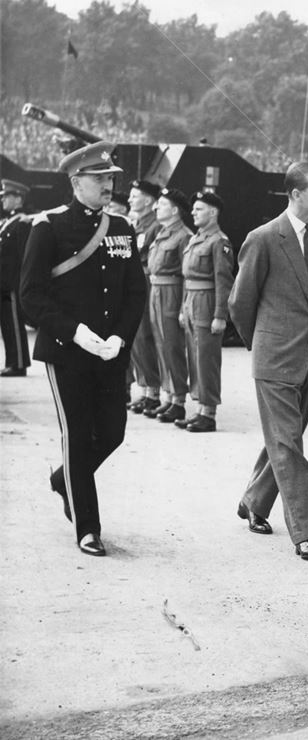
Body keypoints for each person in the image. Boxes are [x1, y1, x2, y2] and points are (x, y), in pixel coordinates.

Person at [19, 141, 146, 556]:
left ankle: (63, 480)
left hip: (110, 352)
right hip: (67, 351)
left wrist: (120, 337)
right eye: (100, 179)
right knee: (76, 435)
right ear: (76, 182)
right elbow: (31, 296)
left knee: (111, 432)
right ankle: (88, 528)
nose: (108, 185)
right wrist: (74, 331)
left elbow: (134, 291)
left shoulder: (123, 228)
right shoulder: (48, 226)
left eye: (111, 178)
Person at [228, 162, 308, 561]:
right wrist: (263, 342)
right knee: (289, 444)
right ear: (295, 195)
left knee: (282, 441)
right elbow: (241, 302)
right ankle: (307, 532)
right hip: (275, 359)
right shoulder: (264, 238)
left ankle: (255, 499)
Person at [177, 191, 234, 433]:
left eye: (199, 209)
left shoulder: (219, 241)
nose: (193, 213)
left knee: (206, 359)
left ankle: (209, 413)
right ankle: (200, 409)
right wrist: (182, 307)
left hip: (207, 303)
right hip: (192, 301)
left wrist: (220, 315)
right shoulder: (196, 238)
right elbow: (186, 278)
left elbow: (224, 281)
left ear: (213, 212)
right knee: (194, 357)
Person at [144, 188, 192, 424]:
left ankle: (179, 401)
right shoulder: (163, 232)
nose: (156, 207)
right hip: (157, 290)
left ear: (174, 210)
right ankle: (168, 396)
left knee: (172, 346)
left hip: (172, 292)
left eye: (161, 204)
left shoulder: (183, 236)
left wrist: (184, 306)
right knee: (161, 345)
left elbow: (187, 276)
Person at [125, 179, 163, 415]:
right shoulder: (136, 224)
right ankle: (146, 388)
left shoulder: (155, 226)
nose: (130, 200)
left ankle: (153, 392)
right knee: (136, 339)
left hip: (148, 283)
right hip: (135, 282)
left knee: (146, 337)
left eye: (135, 196)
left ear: (148, 201)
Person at [1, 179, 33, 377]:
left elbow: (21, 255)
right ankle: (13, 362)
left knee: (13, 323)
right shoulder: (8, 222)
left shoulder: (22, 223)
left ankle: (19, 363)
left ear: (18, 198)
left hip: (11, 281)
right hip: (4, 281)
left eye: (7, 197)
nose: (3, 200)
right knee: (6, 324)